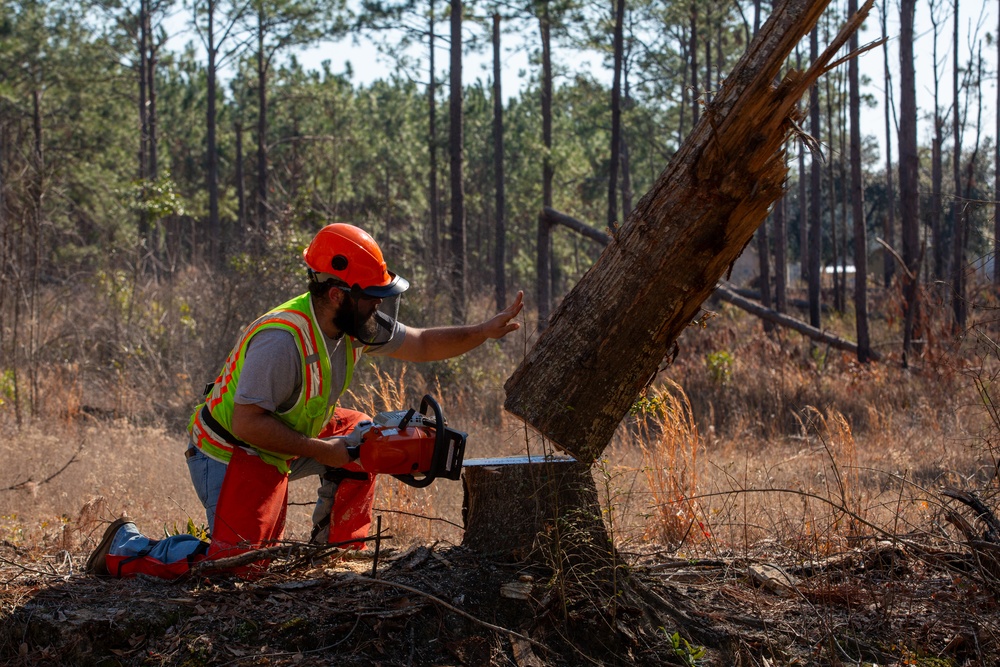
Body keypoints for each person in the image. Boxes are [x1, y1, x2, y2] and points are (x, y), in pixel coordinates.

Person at [86, 223, 524, 579]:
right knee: (239, 568)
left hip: (291, 437)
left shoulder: (358, 324)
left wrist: (482, 331)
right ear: (337, 293)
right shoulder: (282, 340)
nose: (379, 306)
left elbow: (424, 343)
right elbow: (248, 424)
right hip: (235, 449)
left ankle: (336, 560)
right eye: (371, 296)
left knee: (367, 438)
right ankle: (126, 548)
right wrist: (323, 450)